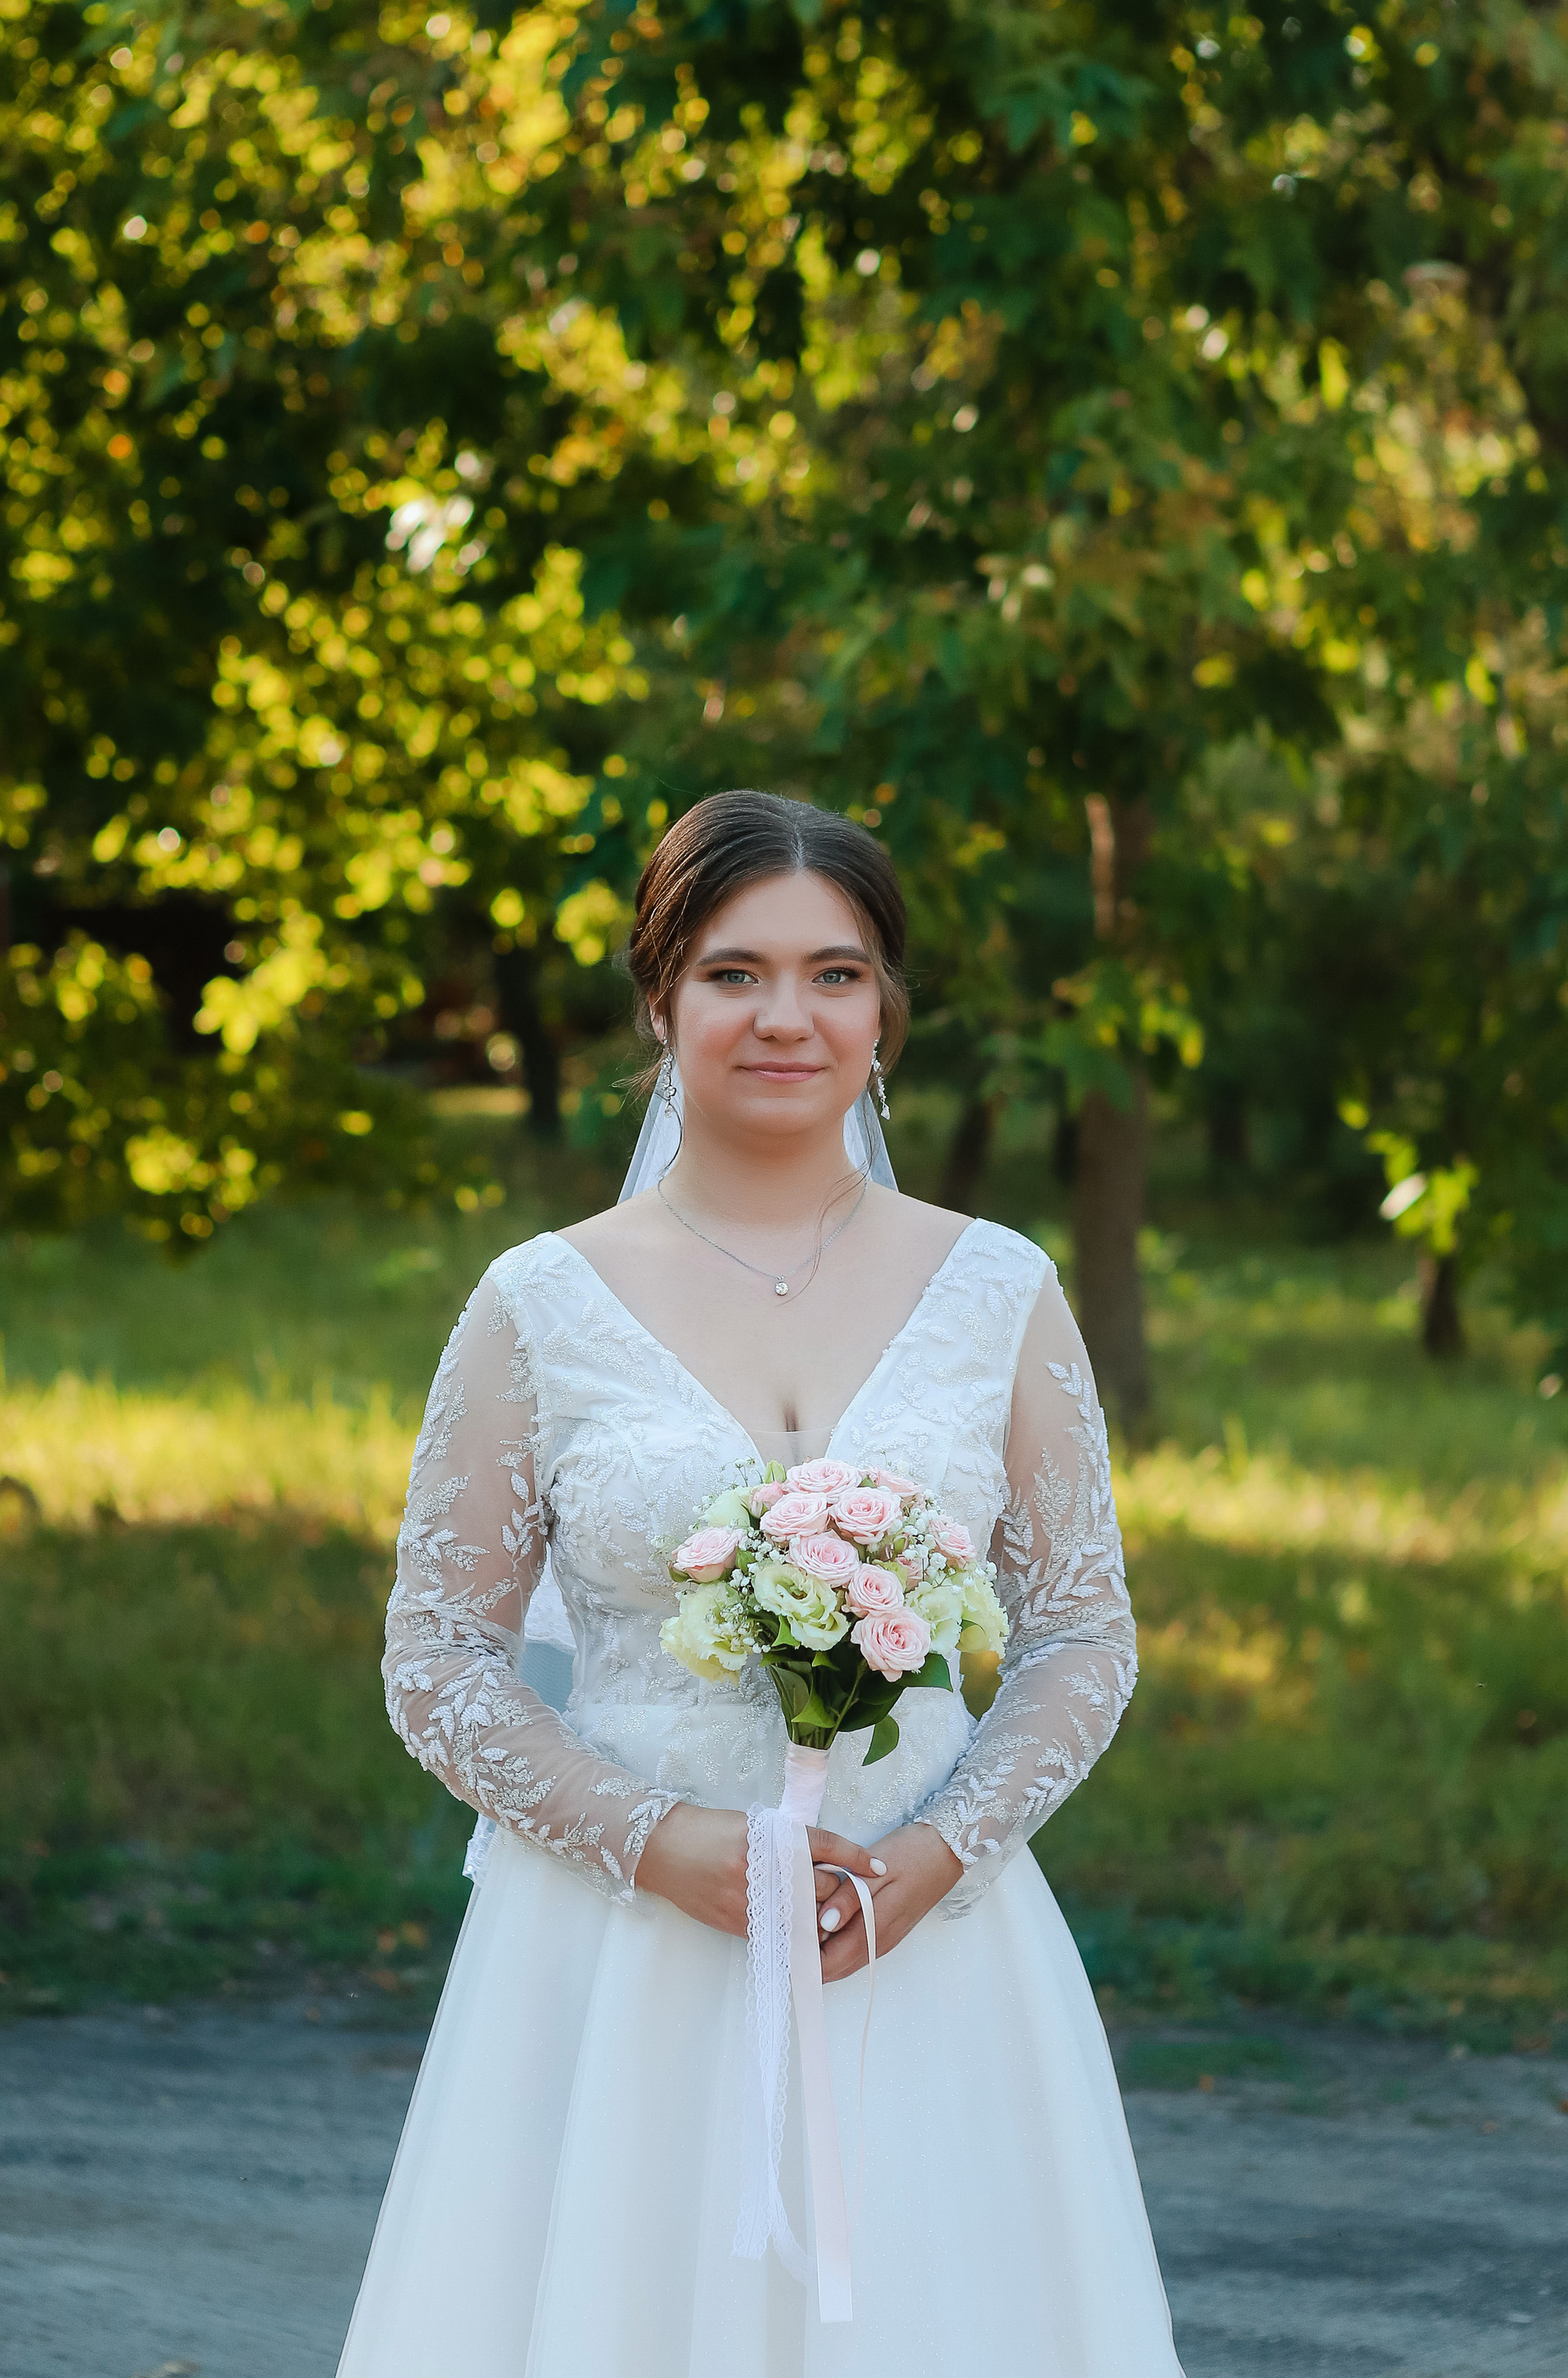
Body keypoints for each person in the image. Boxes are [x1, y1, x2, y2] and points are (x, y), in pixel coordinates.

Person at [336, 790, 1184, 2377]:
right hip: (616, 1953)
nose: (785, 1016)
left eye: (834, 973)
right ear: (658, 1000)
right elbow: (438, 1661)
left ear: (886, 1009)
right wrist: (660, 1846)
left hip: (918, 1939)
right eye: (733, 974)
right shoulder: (538, 1303)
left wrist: (936, 1858)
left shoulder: (998, 1287)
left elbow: (1076, 1633)